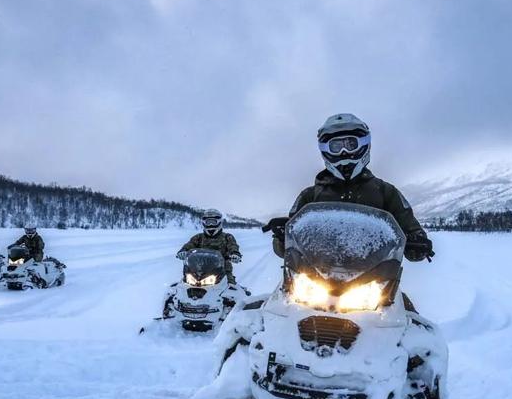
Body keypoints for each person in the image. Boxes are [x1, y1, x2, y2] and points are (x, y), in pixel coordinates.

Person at [271, 113, 432, 262]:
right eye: (336, 146)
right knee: (283, 292)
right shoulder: (309, 197)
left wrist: (417, 241)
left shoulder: (386, 192)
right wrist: (282, 238)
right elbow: (286, 247)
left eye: (350, 144)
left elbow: (410, 227)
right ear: (325, 149)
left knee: (401, 295)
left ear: (363, 145)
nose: (343, 152)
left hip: (375, 278)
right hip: (316, 276)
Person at [178, 209, 241, 284]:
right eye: (208, 222)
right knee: (183, 284)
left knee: (230, 285)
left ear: (219, 222)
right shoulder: (198, 237)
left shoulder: (227, 237)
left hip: (222, 271)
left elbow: (233, 246)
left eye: (213, 222)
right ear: (204, 223)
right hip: (198, 270)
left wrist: (235, 254)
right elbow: (189, 245)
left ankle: (237, 294)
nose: (211, 224)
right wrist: (183, 251)